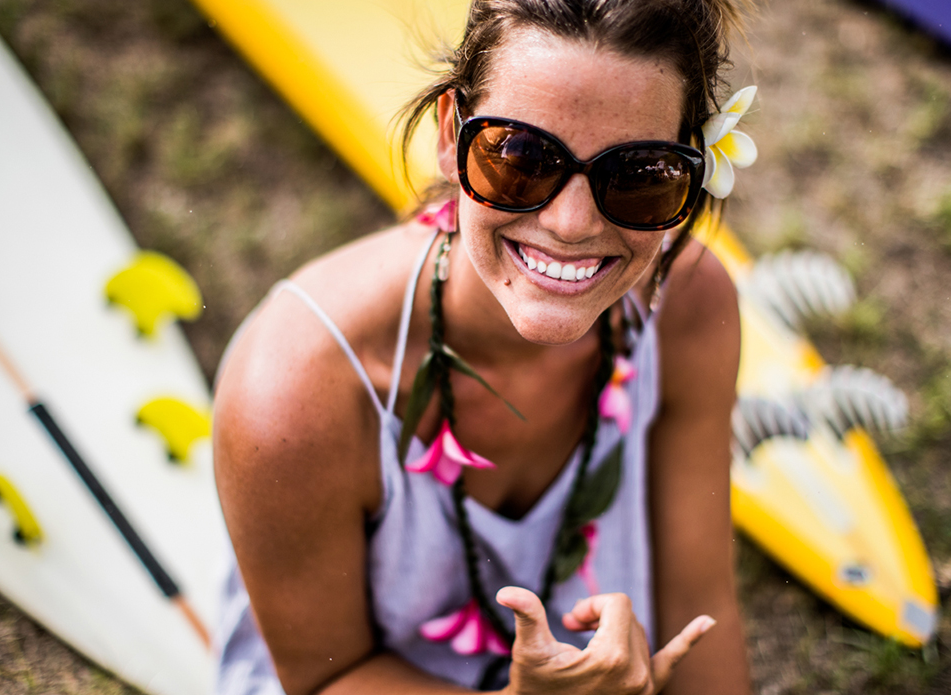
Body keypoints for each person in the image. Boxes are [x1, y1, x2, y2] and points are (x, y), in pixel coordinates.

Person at [213, 1, 753, 693]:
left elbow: (699, 603)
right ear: (450, 135)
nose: (569, 223)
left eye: (640, 176)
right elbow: (326, 678)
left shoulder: (688, 307)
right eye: (522, 157)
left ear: (693, 170)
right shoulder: (297, 388)